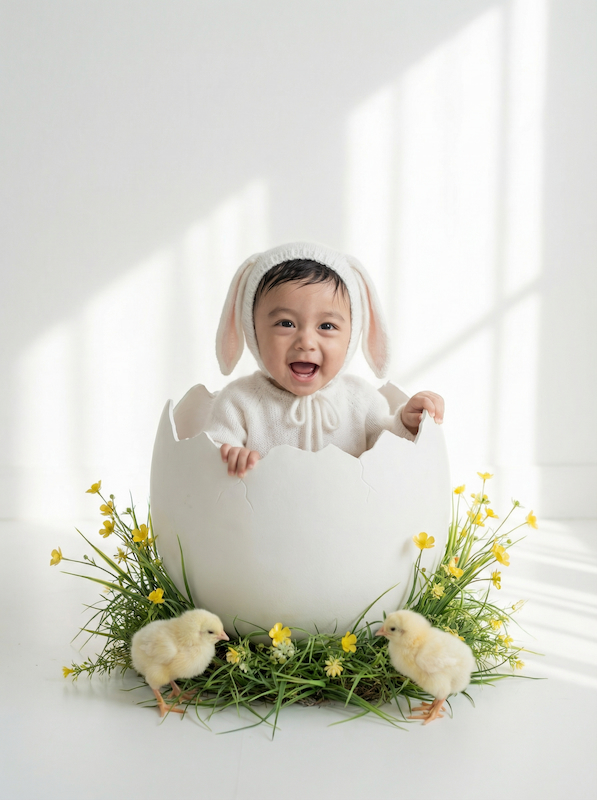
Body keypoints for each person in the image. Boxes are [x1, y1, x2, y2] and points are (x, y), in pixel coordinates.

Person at [206, 241, 444, 477]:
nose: (306, 342)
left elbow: (388, 454)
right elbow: (207, 454)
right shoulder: (238, 403)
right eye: (286, 323)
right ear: (253, 329)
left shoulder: (362, 401)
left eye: (326, 326)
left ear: (351, 334)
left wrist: (407, 423)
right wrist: (230, 455)